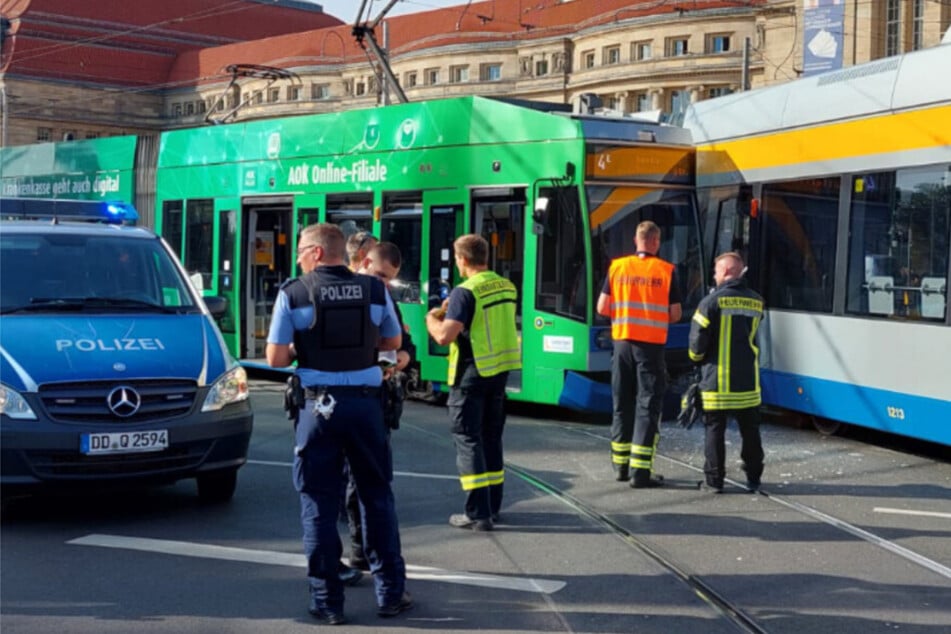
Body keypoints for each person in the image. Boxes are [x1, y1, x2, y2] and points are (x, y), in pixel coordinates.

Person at [266, 223, 412, 624]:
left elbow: (276, 359)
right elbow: (392, 343)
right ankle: (391, 594)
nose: (298, 257)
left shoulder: (294, 292)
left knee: (318, 502)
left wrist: (301, 345)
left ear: (316, 252)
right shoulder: (374, 289)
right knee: (376, 497)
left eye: (301, 250)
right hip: (366, 408)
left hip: (318, 409)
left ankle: (327, 602)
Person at [425, 233, 520, 531]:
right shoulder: (506, 286)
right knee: (491, 438)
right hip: (498, 372)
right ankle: (493, 506)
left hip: (471, 373)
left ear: (463, 259)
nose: (456, 263)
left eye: (456, 258)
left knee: (468, 439)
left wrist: (432, 318)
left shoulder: (465, 292)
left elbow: (444, 336)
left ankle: (477, 513)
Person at [596, 220, 682, 488]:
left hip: (622, 344)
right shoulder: (666, 271)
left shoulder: (617, 267)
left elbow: (602, 307)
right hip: (650, 347)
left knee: (622, 403)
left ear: (636, 240)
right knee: (647, 405)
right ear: (656, 242)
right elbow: (675, 314)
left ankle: (621, 467)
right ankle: (640, 472)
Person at [346, 241, 415, 570]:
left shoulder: (384, 298)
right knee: (351, 480)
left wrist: (402, 358)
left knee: (372, 480)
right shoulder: (342, 293)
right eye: (380, 274)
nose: (384, 283)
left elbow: (405, 345)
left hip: (377, 399)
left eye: (389, 278)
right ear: (363, 262)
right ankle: (360, 548)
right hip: (347, 399)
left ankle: (366, 550)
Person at [688, 251, 765, 493]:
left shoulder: (710, 302)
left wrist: (697, 361)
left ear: (726, 271)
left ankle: (714, 481)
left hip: (717, 382)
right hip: (748, 382)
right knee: (750, 431)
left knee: (714, 430)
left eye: (716, 271)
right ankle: (754, 477)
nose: (714, 276)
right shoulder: (757, 301)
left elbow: (696, 345)